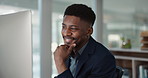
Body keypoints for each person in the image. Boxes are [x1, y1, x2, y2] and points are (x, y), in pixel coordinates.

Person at [53, 4, 116, 78]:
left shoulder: (103, 59)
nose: (66, 33)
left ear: (88, 31)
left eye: (73, 28)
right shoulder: (66, 52)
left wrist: (60, 63)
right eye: (64, 27)